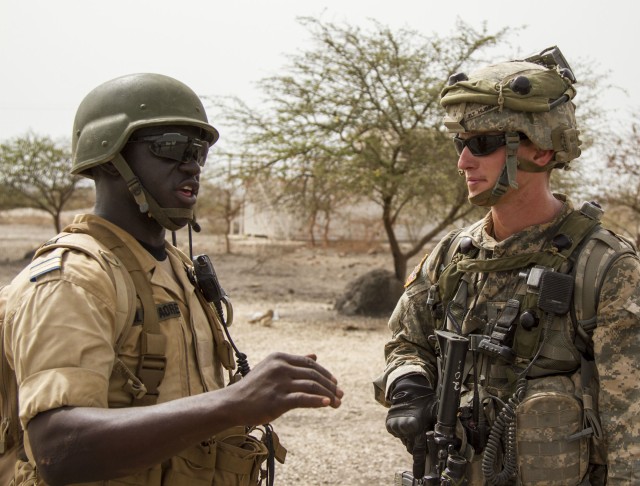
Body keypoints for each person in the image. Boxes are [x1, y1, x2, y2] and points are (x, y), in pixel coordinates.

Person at [1, 73, 343, 485]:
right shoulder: (74, 279)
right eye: (171, 148)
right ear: (110, 158)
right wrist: (232, 403)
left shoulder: (178, 268)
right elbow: (58, 450)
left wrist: (247, 393)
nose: (192, 165)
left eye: (200, 152)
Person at [374, 47, 640, 485]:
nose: (463, 161)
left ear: (540, 149)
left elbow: (630, 429)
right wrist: (408, 386)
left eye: (483, 143)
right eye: (461, 143)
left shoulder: (604, 268)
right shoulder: (454, 256)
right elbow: (407, 342)